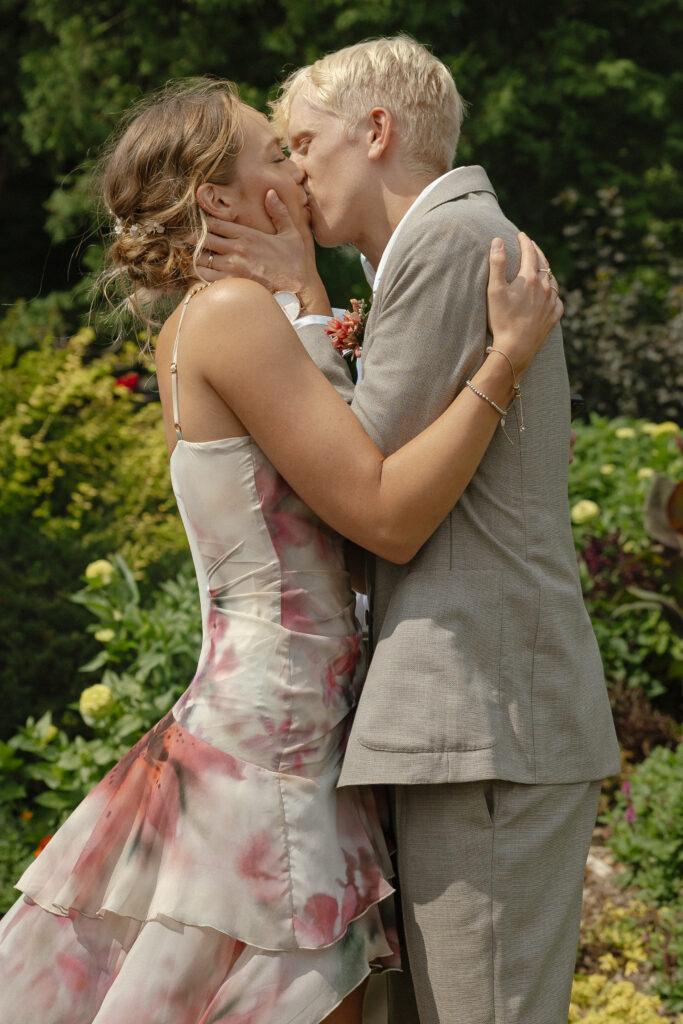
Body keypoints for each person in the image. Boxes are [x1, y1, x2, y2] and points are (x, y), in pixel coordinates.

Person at [0, 79, 560, 1024]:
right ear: (216, 199)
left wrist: (304, 286)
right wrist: (503, 361)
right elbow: (381, 511)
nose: (296, 169)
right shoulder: (227, 315)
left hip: (293, 727)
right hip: (274, 746)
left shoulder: (225, 316)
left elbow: (336, 452)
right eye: (273, 152)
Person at [196, 37, 622, 1024]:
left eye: (302, 142)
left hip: (477, 721)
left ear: (374, 131)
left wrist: (302, 299)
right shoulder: (437, 248)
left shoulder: (444, 241)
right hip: (464, 722)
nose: (293, 172)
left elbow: (352, 487)